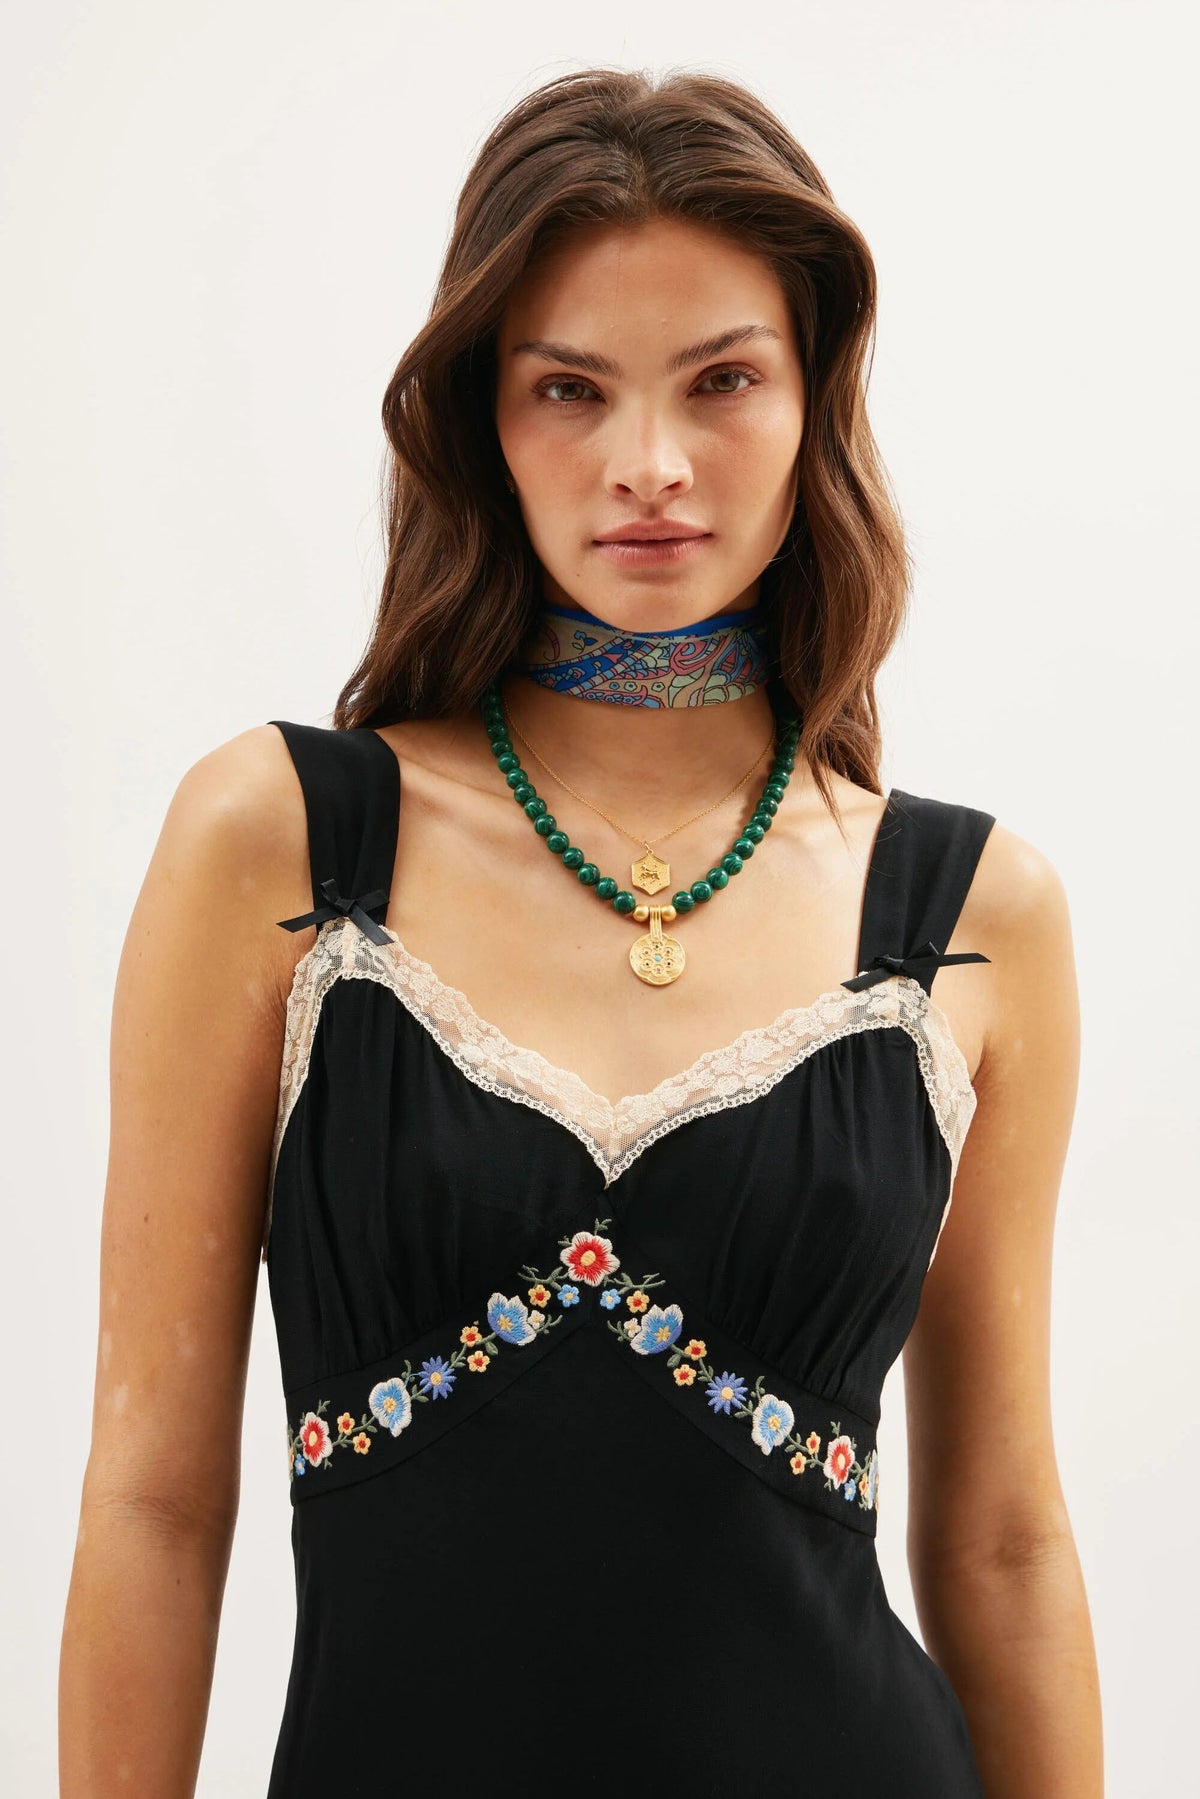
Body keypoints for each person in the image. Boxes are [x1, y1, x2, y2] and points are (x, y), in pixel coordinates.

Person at [59, 66, 1102, 1798]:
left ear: (815, 399)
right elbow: (154, 1499)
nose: (650, 465)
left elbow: (1002, 1541)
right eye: (570, 388)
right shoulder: (284, 844)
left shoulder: (979, 915)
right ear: (483, 417)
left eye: (723, 380)